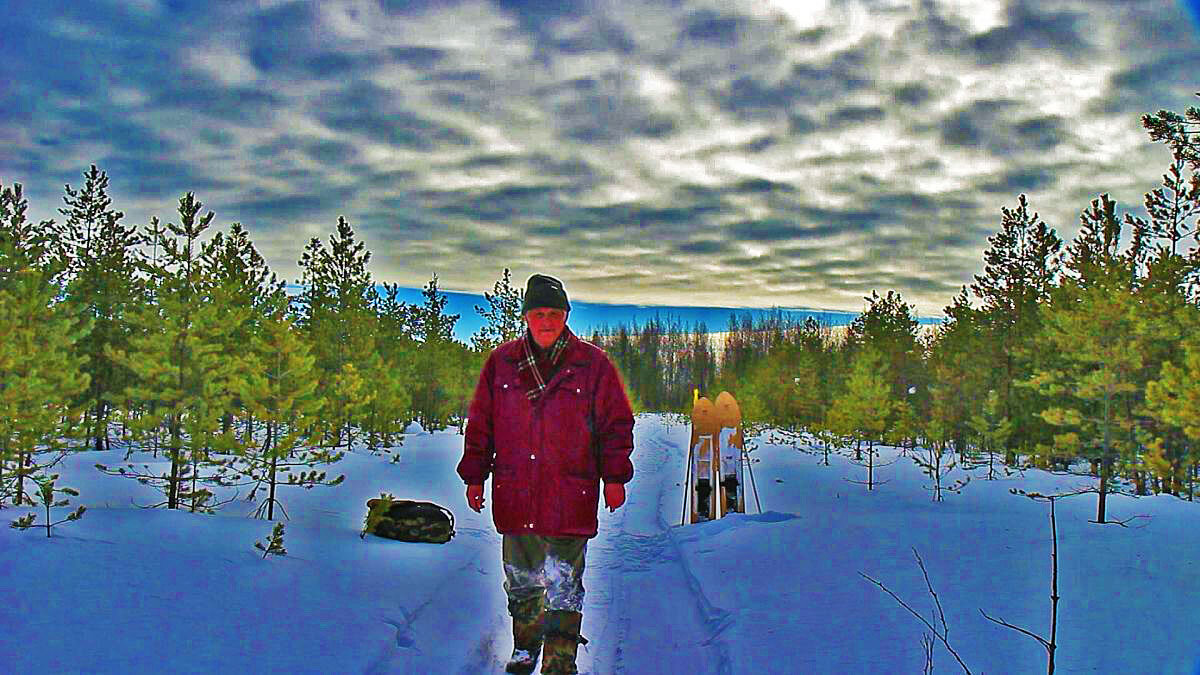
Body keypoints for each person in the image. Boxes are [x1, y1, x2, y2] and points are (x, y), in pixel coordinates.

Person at [457, 273, 634, 675]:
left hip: (571, 491)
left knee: (564, 584)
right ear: (526, 317)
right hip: (516, 490)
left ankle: (559, 660)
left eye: (554, 312)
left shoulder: (593, 365)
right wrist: (474, 475)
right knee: (522, 579)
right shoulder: (501, 363)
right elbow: (481, 423)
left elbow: (616, 423)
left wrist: (615, 476)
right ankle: (525, 648)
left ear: (567, 315)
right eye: (539, 313)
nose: (547, 320)